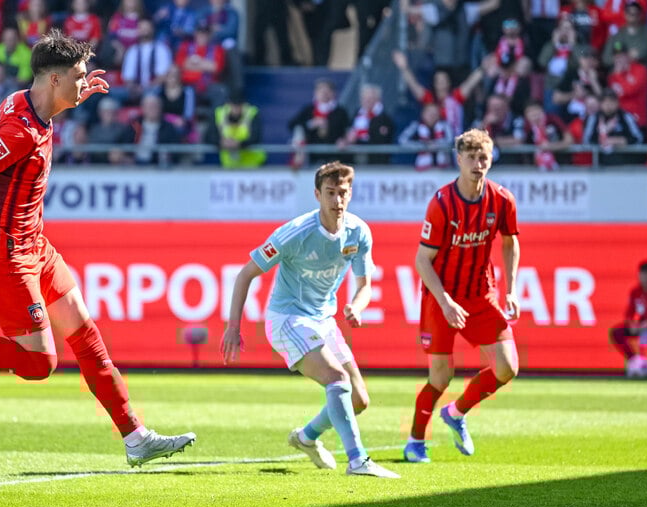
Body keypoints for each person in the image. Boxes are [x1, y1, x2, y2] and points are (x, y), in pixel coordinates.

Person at [0, 29, 195, 467]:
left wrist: (76, 95)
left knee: (86, 335)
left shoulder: (31, 102)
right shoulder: (19, 131)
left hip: (37, 244)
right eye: (78, 76)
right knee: (40, 365)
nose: (84, 81)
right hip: (7, 256)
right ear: (53, 79)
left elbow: (40, 109)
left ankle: (135, 436)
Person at [221, 162, 399, 479]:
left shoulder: (359, 231)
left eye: (343, 193)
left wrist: (357, 307)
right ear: (317, 194)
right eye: (330, 193)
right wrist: (233, 327)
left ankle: (306, 437)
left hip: (324, 320)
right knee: (336, 379)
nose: (337, 201)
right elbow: (246, 273)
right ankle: (358, 460)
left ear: (350, 193)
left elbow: (365, 286)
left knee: (358, 399)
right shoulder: (296, 233)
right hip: (288, 319)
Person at [404, 128, 520, 464]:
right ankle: (415, 442)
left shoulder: (502, 200)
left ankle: (456, 412)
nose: (477, 163)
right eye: (470, 157)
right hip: (441, 297)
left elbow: (511, 242)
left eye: (483, 157)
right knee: (441, 376)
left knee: (507, 367)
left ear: (491, 159)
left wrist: (511, 290)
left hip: (481, 296)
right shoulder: (442, 204)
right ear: (458, 159)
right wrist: (445, 301)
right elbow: (422, 260)